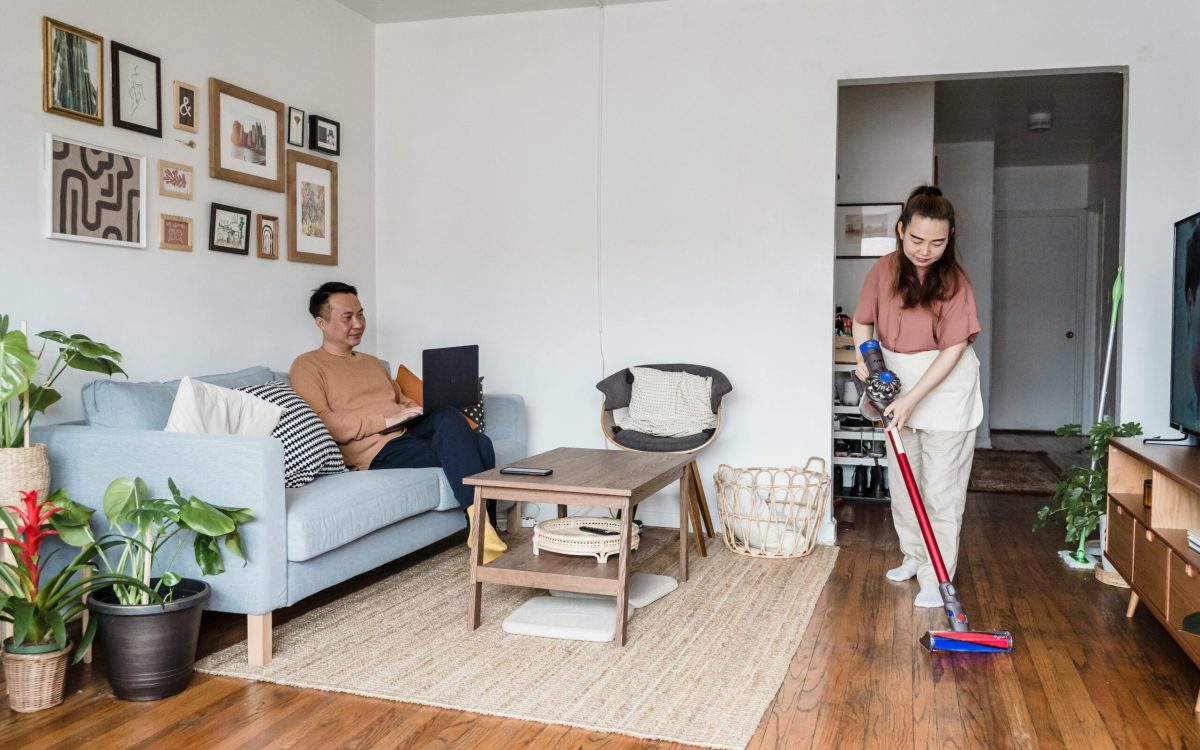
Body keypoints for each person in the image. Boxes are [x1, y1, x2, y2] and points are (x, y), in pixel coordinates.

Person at [851, 185, 983, 608]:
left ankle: (937, 575)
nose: (926, 250)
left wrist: (912, 400)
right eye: (917, 240)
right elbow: (861, 322)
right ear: (900, 230)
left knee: (941, 491)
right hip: (896, 388)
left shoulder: (954, 281)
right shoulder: (883, 270)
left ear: (950, 238)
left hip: (944, 390)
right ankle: (913, 556)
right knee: (904, 485)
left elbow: (953, 350)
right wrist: (864, 361)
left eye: (938, 242)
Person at [289, 282, 499, 526]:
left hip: (406, 431)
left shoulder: (372, 362)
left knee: (447, 414)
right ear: (321, 323)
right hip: (376, 450)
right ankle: (485, 530)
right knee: (481, 444)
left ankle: (482, 532)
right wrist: (385, 421)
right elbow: (323, 421)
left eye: (360, 314)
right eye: (347, 318)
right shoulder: (308, 366)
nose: (358, 324)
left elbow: (399, 398)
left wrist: (414, 409)